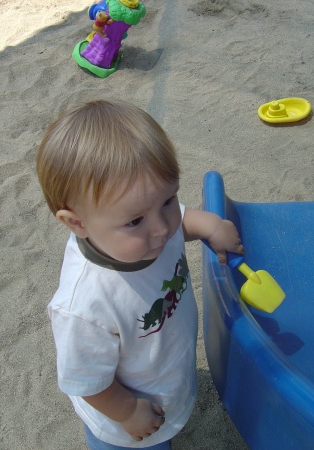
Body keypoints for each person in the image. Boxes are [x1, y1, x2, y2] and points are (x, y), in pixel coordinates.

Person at [36, 99, 244, 449]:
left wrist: (210, 225)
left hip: (165, 377)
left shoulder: (149, 223)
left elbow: (180, 219)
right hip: (125, 424)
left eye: (168, 200)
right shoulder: (86, 305)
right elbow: (87, 380)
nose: (162, 228)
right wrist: (128, 410)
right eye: (135, 221)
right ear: (77, 223)